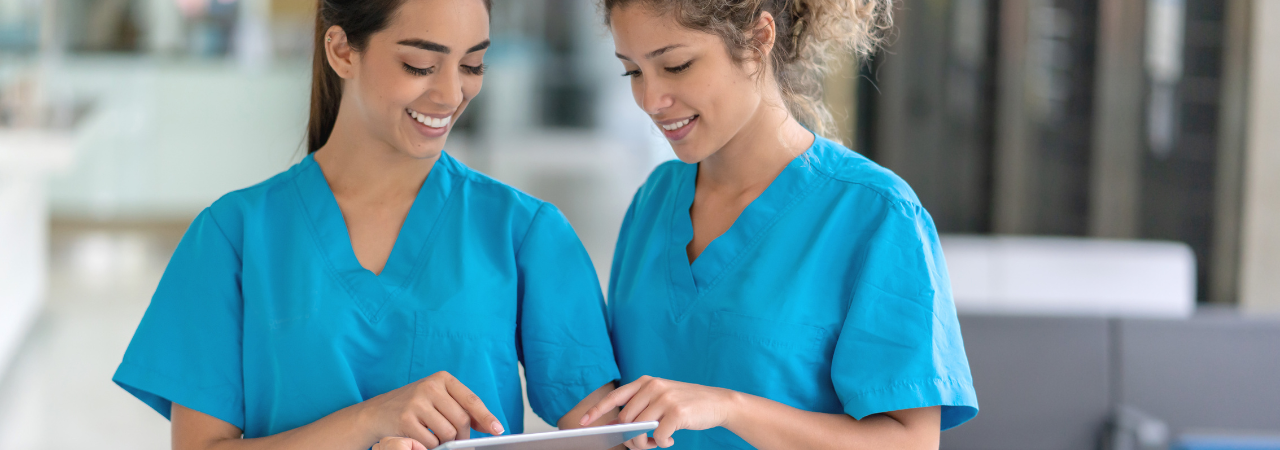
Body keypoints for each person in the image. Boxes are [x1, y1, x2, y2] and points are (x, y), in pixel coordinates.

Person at [112, 1, 620, 449]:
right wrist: (368, 421)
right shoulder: (232, 237)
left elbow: (604, 439)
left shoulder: (525, 234)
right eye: (419, 64)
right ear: (342, 52)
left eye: (472, 64)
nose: (450, 94)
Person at [577, 1, 979, 448]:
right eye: (632, 72)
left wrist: (731, 408)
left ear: (758, 39)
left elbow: (911, 443)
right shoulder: (655, 199)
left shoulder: (875, 214)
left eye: (676, 65)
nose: (651, 100)